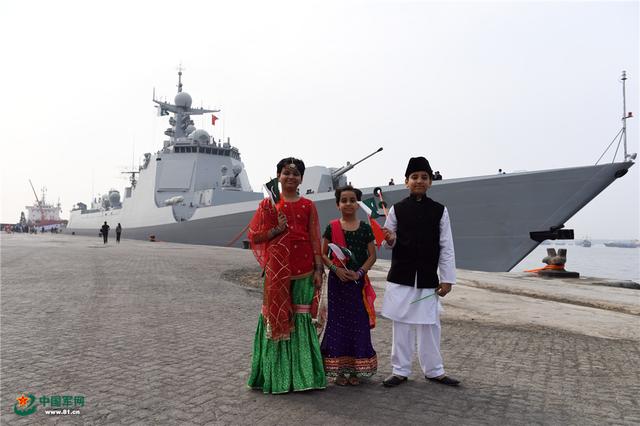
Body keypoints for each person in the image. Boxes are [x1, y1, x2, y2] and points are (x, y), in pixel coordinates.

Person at [247, 157, 327, 394]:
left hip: (303, 269)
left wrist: (318, 269)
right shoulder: (269, 205)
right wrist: (277, 230)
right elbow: (255, 237)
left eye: (295, 173)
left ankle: (303, 376)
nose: (290, 177)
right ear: (278, 177)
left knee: (301, 319)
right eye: (286, 172)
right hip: (276, 270)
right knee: (275, 317)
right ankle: (275, 377)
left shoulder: (308, 205)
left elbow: (314, 238)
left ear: (301, 179)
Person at [381, 156, 459, 388]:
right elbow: (387, 241)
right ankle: (400, 370)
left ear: (430, 182)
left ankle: (435, 370)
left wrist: (447, 279)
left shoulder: (439, 211)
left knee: (430, 324)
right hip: (401, 276)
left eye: (424, 177)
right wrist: (390, 239)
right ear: (406, 182)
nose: (419, 181)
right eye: (414, 177)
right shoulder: (397, 209)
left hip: (427, 278)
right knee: (401, 324)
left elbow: (447, 246)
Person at [321, 185, 377, 386]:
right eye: (344, 200)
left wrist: (359, 272)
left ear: (358, 204)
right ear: (338, 204)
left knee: (358, 324)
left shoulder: (364, 228)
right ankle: (339, 371)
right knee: (337, 325)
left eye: (352, 200)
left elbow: (372, 255)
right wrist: (336, 270)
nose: (348, 204)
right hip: (338, 284)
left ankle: (355, 370)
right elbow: (323, 254)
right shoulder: (332, 227)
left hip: (357, 284)